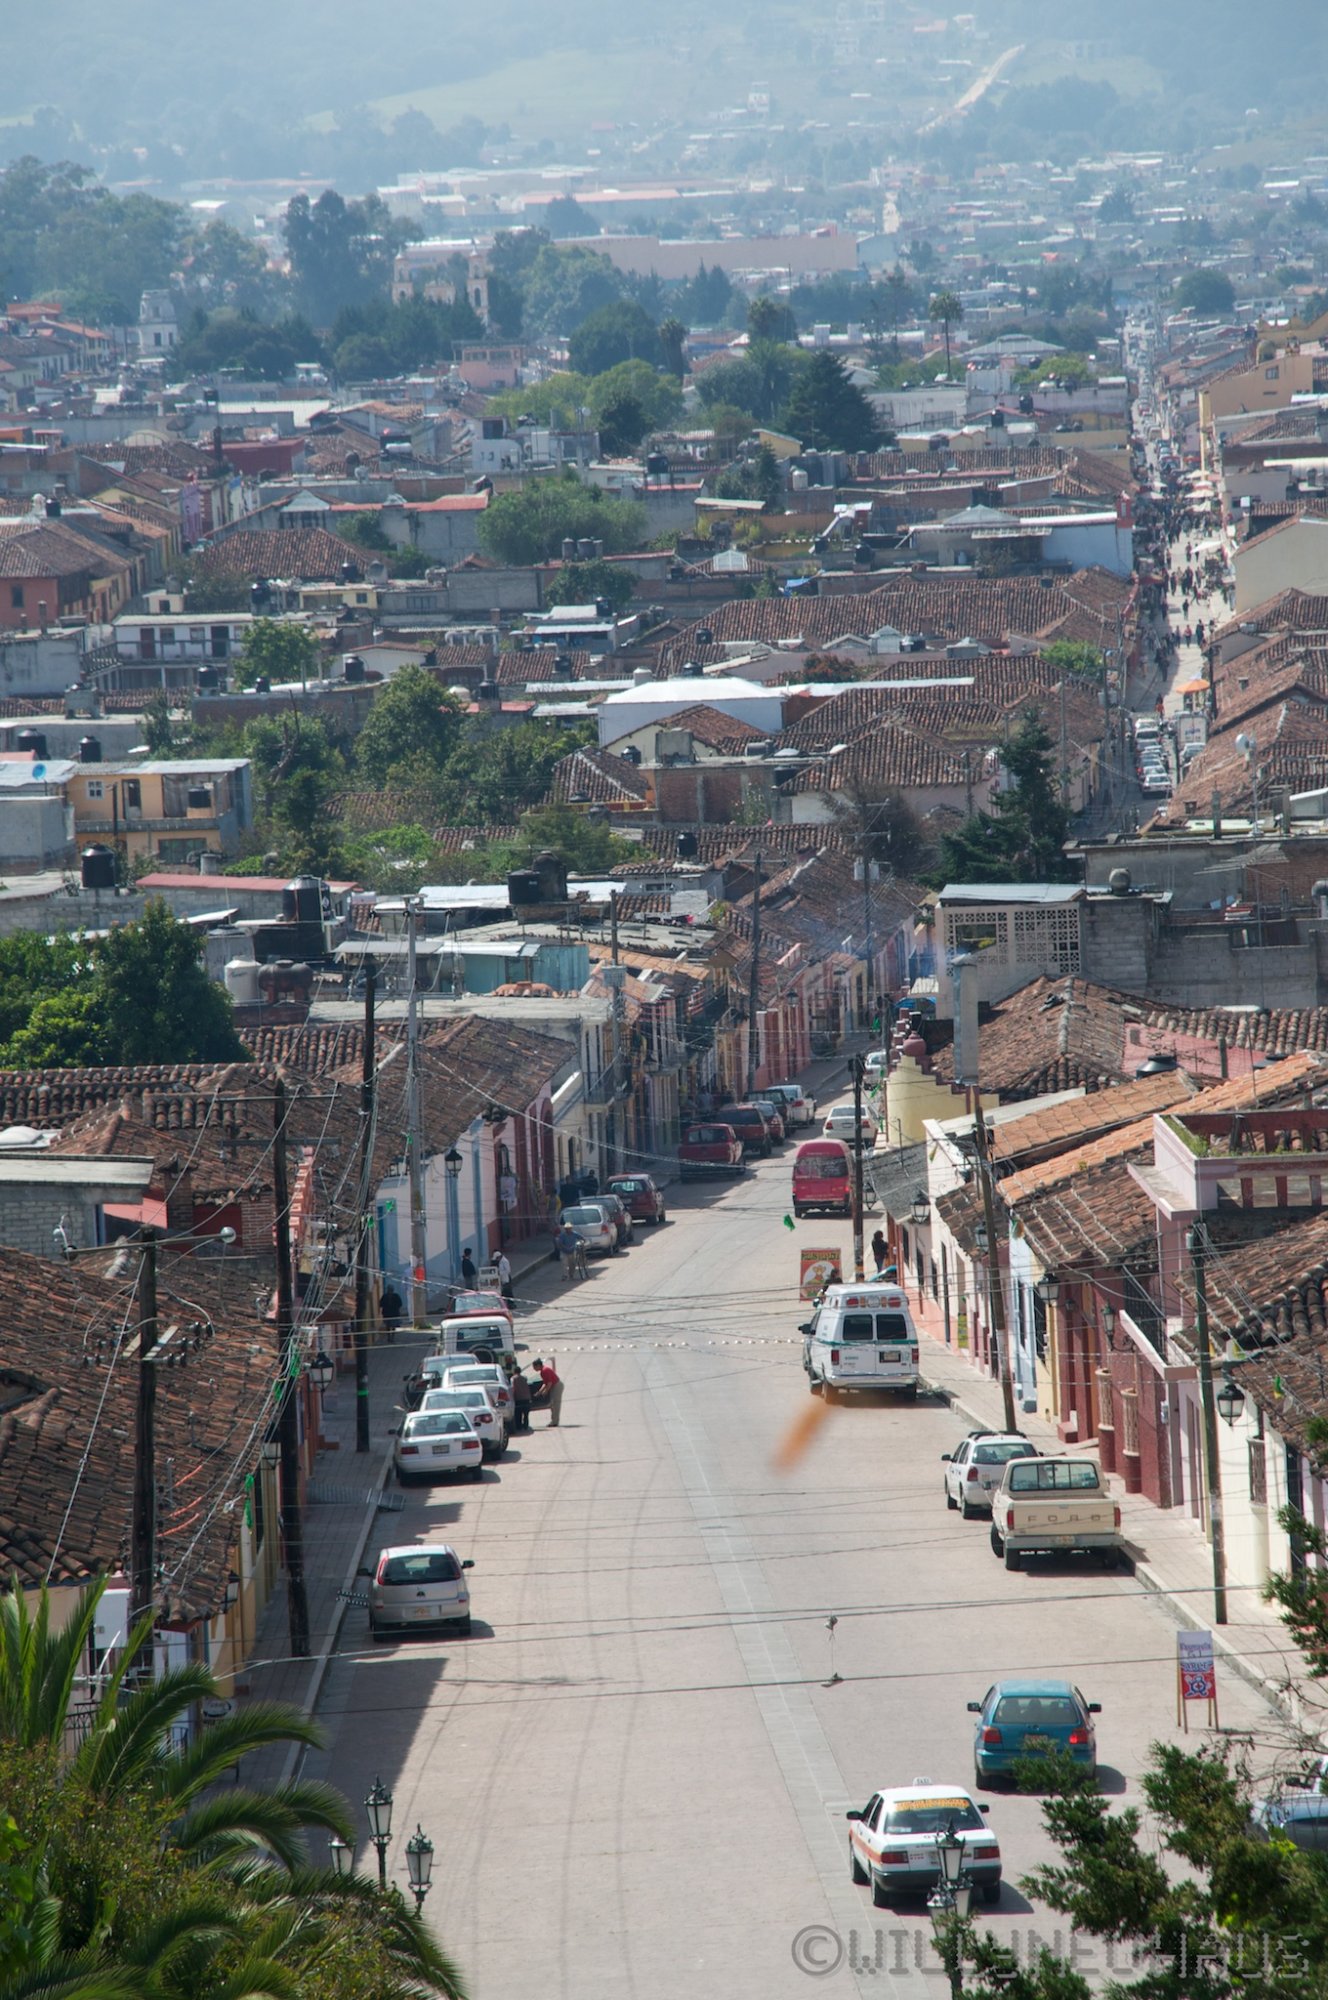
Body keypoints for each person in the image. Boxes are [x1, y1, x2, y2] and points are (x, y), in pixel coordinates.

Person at [533, 1356, 564, 1427]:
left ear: (538, 1365)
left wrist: (546, 1391)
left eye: (534, 1367)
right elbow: (545, 1383)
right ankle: (554, 1420)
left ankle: (555, 1421)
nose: (534, 1369)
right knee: (552, 1404)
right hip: (553, 1386)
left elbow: (549, 1383)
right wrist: (539, 1392)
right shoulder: (542, 1372)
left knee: (555, 1404)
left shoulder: (545, 1370)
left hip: (556, 1386)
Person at [510, 1365, 532, 1432]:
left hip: (518, 1398)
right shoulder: (524, 1378)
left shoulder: (513, 1378)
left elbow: (513, 1388)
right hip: (526, 1398)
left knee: (518, 1414)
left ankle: (519, 1427)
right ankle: (525, 1426)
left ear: (514, 1371)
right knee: (526, 1414)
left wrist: (512, 1396)